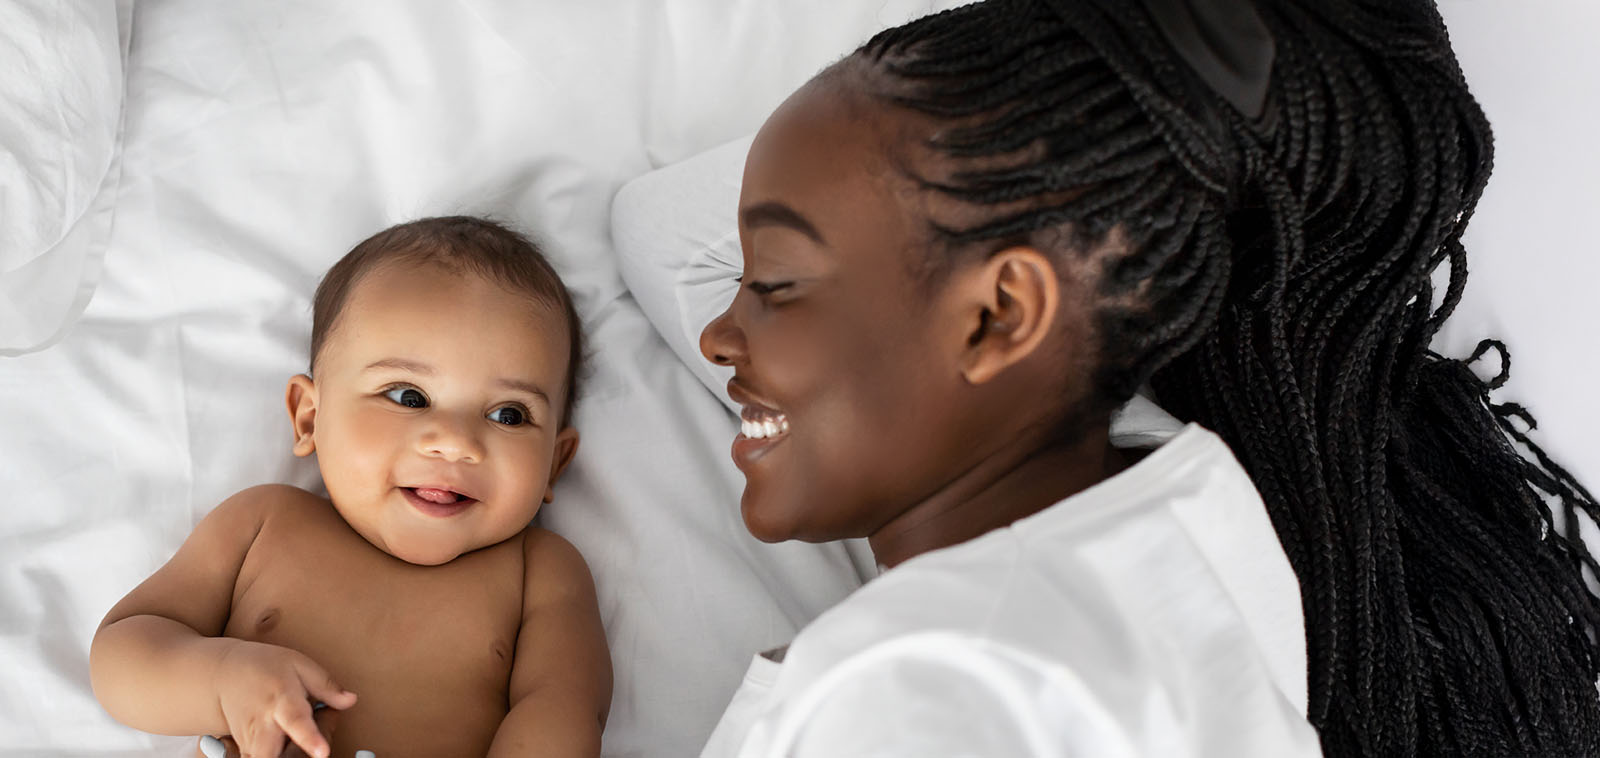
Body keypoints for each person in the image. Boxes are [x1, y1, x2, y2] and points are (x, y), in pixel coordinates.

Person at [693, 0, 1600, 756]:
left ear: (1000, 315)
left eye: (773, 284)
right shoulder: (1183, 493)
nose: (714, 336)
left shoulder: (914, 696)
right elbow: (662, 226)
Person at [89, 217, 612, 758]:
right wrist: (223, 680)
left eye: (509, 414)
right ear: (310, 418)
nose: (456, 443)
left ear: (554, 463)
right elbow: (122, 654)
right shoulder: (264, 522)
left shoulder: (540, 573)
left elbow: (564, 711)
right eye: (408, 396)